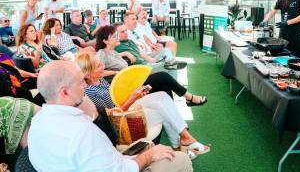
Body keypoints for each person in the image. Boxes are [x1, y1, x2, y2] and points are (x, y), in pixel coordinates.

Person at [28, 60, 193, 172]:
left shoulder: (37, 122)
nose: (84, 86)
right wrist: (150, 155)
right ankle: (182, 145)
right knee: (180, 160)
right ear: (64, 92)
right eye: (80, 82)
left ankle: (182, 139)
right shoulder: (82, 132)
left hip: (104, 162)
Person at [75, 52, 210, 156]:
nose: (103, 66)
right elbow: (113, 116)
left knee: (163, 96)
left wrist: (134, 93)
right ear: (88, 73)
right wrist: (133, 97)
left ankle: (183, 140)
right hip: (121, 122)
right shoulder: (90, 92)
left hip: (126, 107)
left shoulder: (100, 80)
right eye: (99, 65)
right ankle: (181, 143)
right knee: (163, 108)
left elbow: (116, 98)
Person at [95, 25, 207, 106]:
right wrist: (116, 72)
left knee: (165, 85)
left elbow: (115, 60)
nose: (118, 37)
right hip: (125, 87)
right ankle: (189, 97)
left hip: (132, 80)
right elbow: (96, 73)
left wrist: (124, 53)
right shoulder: (101, 53)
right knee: (163, 75)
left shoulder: (113, 52)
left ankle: (173, 111)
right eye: (115, 36)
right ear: (105, 40)